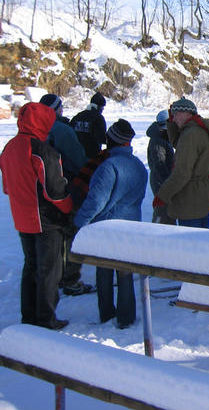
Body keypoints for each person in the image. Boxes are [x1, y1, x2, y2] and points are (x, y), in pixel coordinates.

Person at [0, 103, 74, 330]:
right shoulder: (41, 150)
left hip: (22, 217)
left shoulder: (10, 147)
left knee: (31, 266)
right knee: (49, 271)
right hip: (45, 220)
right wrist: (69, 207)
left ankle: (29, 316)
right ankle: (46, 319)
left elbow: (7, 187)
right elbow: (55, 191)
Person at [73, 119, 147, 329]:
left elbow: (96, 201)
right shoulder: (138, 165)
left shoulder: (108, 166)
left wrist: (79, 222)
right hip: (131, 227)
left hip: (106, 229)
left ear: (111, 140)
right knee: (125, 272)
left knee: (104, 272)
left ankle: (107, 314)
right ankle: (126, 316)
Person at [39, 93, 94, 297]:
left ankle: (53, 276)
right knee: (70, 232)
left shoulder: (37, 129)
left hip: (41, 190)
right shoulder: (62, 130)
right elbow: (78, 158)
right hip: (66, 187)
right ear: (57, 109)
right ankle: (70, 279)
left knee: (52, 236)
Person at [154, 97, 209, 229]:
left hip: (189, 201)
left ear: (187, 113)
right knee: (200, 239)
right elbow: (178, 144)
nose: (174, 119)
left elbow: (181, 173)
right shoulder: (199, 130)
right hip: (201, 196)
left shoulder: (190, 135)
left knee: (190, 240)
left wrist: (162, 196)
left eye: (176, 114)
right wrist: (171, 124)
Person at [146, 110, 175, 225]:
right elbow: (160, 166)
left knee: (169, 212)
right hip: (161, 183)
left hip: (164, 182)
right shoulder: (158, 141)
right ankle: (157, 231)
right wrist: (168, 185)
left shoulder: (163, 138)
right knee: (162, 212)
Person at [70, 92, 107, 159]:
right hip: (93, 158)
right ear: (99, 106)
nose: (103, 109)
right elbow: (102, 138)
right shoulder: (99, 118)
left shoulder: (78, 116)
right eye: (102, 107)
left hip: (76, 156)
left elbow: (70, 133)